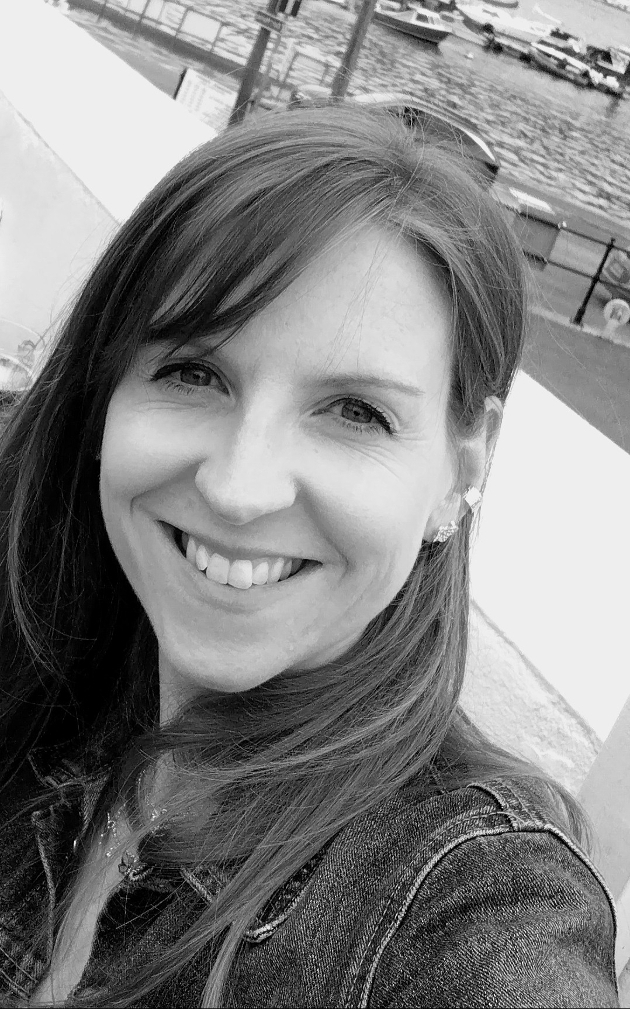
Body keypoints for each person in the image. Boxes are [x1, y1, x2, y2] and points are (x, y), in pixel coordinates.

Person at [0, 105, 618, 1008]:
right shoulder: (56, 669)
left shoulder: (468, 910)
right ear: (105, 393)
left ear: (461, 466)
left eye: (356, 411)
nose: (240, 488)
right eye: (193, 372)